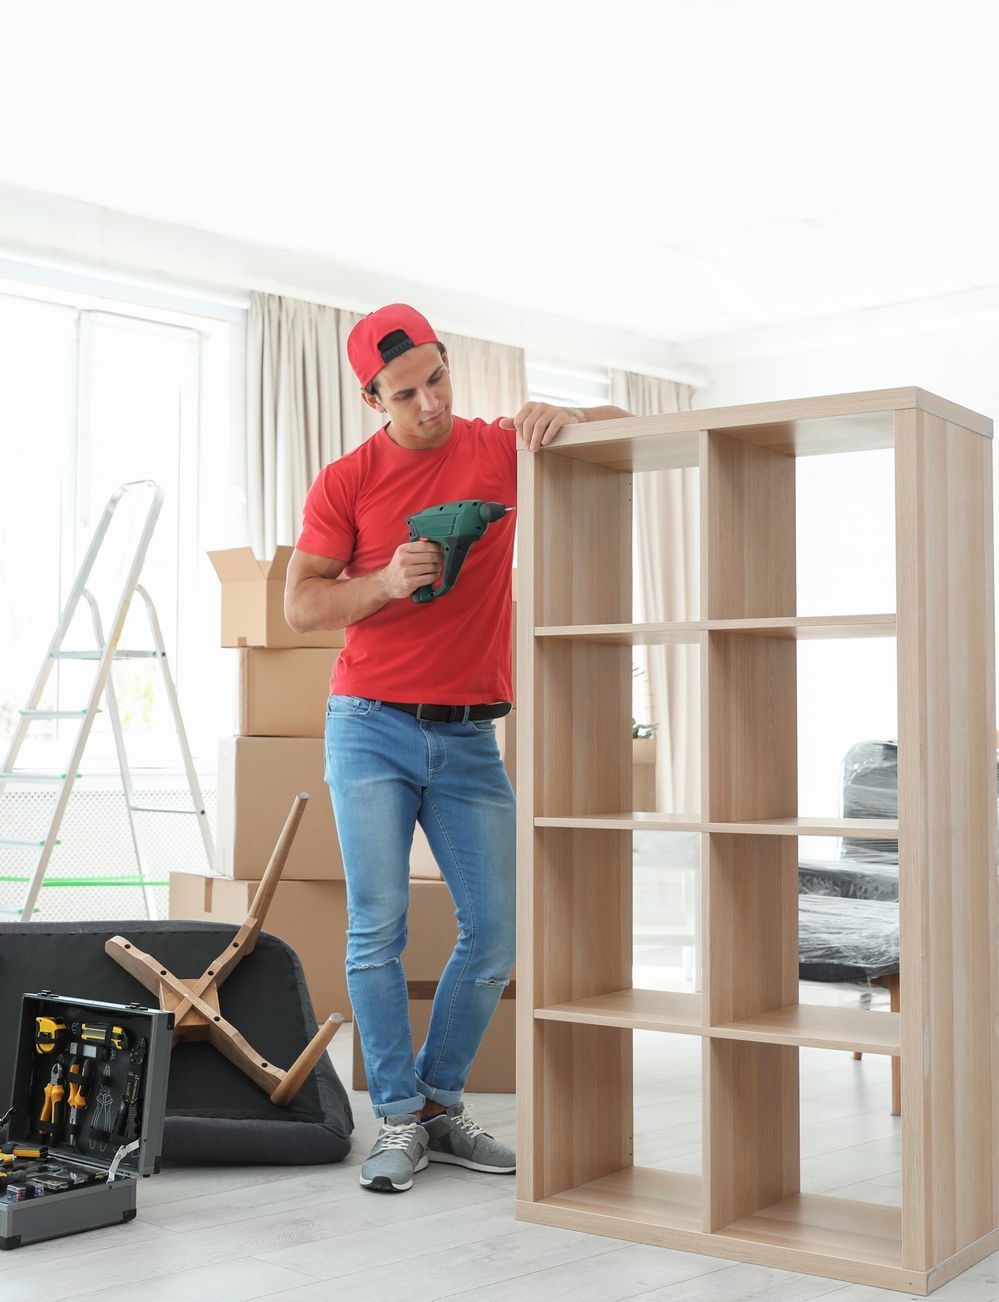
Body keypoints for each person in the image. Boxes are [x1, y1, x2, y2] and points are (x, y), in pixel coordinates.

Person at [284, 304, 630, 1191]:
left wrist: (575, 418)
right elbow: (301, 605)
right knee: (378, 928)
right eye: (408, 392)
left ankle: (439, 1103)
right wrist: (384, 581)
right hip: (368, 726)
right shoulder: (346, 482)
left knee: (496, 932)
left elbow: (634, 430)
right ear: (373, 398)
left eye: (439, 378)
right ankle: (396, 1121)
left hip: (471, 733)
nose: (432, 403)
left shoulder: (495, 447)